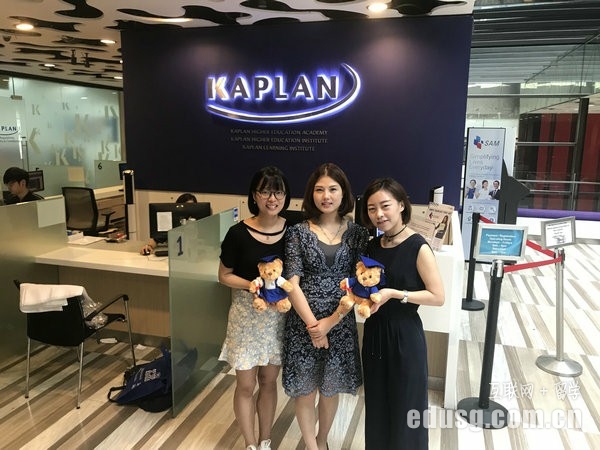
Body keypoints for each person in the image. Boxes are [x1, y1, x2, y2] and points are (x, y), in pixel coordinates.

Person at [282, 162, 368, 450]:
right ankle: (311, 445)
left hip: (340, 322)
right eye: (319, 190)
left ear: (344, 194)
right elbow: (291, 283)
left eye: (333, 189)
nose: (326, 196)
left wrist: (330, 322)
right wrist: (313, 326)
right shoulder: (297, 232)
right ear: (311, 194)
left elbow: (360, 282)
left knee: (330, 389)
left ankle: (322, 440)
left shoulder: (358, 233)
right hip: (302, 323)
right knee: (305, 391)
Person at [359, 177, 445, 450]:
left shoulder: (418, 246)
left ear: (401, 205)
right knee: (377, 405)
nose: (379, 214)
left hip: (405, 335)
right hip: (374, 333)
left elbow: (438, 296)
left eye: (385, 206)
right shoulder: (373, 246)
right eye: (372, 208)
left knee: (407, 407)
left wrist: (396, 294)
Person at [218, 166, 292, 450]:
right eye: (265, 191)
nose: (272, 198)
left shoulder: (293, 230)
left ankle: (265, 440)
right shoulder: (237, 233)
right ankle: (250, 444)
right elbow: (224, 275)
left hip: (277, 317)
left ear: (285, 196)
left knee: (269, 381)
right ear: (254, 195)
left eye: (278, 192)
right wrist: (254, 285)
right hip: (247, 315)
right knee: (246, 385)